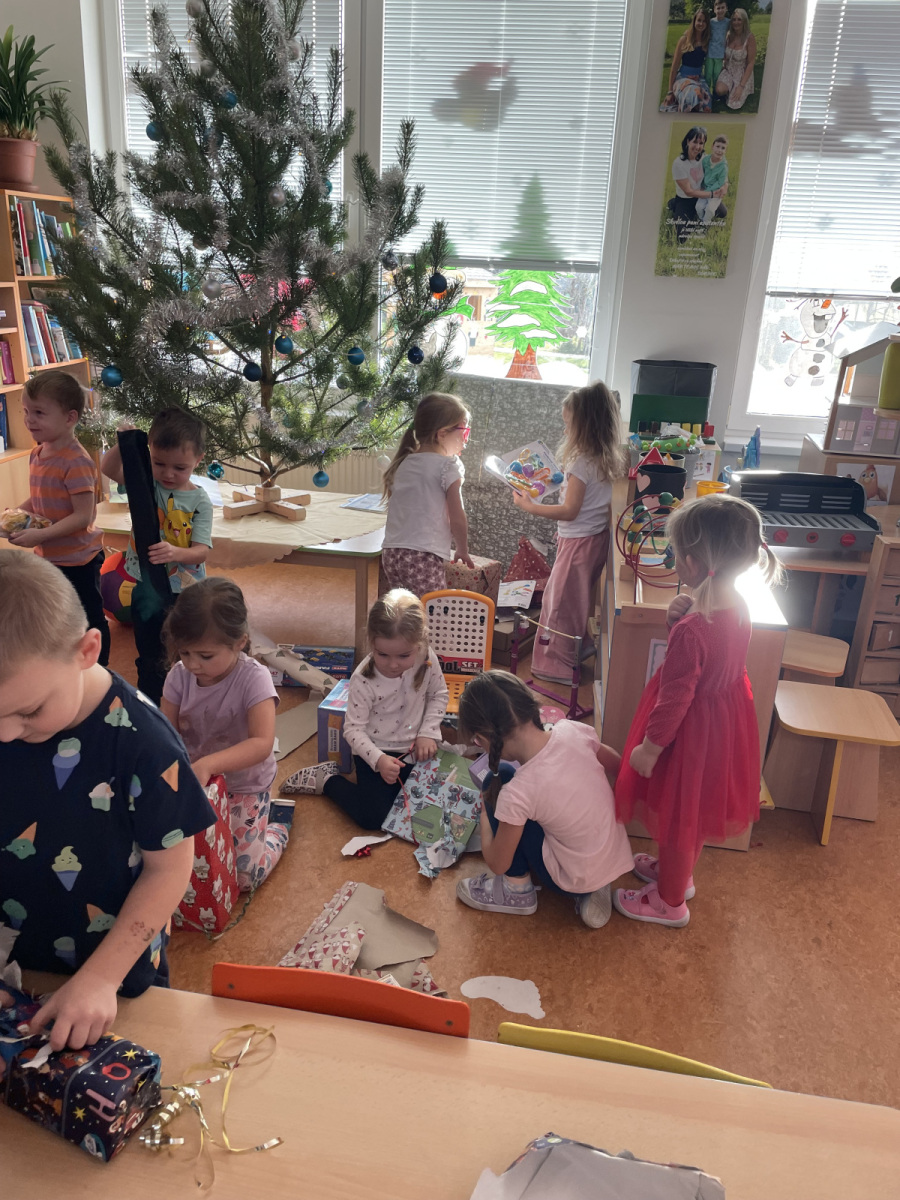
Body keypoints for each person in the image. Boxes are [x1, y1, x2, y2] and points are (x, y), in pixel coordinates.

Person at [0, 550, 214, 1049]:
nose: (6, 734)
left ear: (87, 650)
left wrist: (100, 978)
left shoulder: (145, 743)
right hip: (15, 964)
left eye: (29, 711)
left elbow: (169, 869)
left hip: (112, 980)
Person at [613, 495, 779, 928]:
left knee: (677, 817)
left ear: (689, 562)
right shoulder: (738, 603)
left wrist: (650, 748)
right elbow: (715, 659)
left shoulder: (694, 629)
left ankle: (670, 902)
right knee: (693, 812)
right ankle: (679, 874)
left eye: (674, 552)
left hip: (684, 733)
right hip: (722, 727)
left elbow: (676, 698)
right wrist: (677, 621)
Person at [455, 671, 633, 928]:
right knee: (541, 806)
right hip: (612, 857)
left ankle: (517, 890)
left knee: (498, 780)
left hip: (567, 880)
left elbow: (497, 863)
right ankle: (596, 882)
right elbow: (617, 766)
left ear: (482, 739)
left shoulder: (518, 792)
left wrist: (485, 815)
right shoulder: (573, 729)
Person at [160, 577, 290, 892]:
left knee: (244, 878)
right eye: (185, 652)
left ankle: (279, 826)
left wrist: (208, 764)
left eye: (205, 656)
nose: (193, 664)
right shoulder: (178, 676)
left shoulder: (254, 679)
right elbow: (165, 732)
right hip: (197, 785)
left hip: (245, 785)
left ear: (239, 642)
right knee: (187, 864)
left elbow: (261, 744)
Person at [285, 590, 449, 829]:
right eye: (383, 654)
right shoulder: (363, 679)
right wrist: (379, 760)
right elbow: (353, 731)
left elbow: (439, 694)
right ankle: (327, 780)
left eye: (404, 655)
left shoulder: (426, 657)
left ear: (420, 643)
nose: (393, 664)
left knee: (432, 804)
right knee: (373, 818)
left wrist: (428, 732)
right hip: (375, 750)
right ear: (371, 642)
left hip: (415, 747)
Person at [510, 381, 625, 684]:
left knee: (558, 603)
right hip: (592, 540)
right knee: (575, 600)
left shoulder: (581, 462)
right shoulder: (603, 456)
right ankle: (578, 646)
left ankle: (555, 664)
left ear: (584, 427)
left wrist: (530, 507)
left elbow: (570, 510)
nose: (565, 431)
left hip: (578, 543)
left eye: (568, 425)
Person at [101, 408, 213, 703]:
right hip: (146, 585)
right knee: (148, 650)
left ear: (198, 460)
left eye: (180, 467)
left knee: (183, 649)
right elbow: (109, 468)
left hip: (185, 590)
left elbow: (201, 551)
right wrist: (124, 441)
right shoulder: (146, 484)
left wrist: (175, 552)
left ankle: (186, 702)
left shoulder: (200, 500)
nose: (168, 474)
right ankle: (151, 701)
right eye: (159, 463)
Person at [4, 371, 109, 666]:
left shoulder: (76, 462)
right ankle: (66, 663)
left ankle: (100, 669)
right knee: (58, 613)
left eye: (39, 413)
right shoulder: (37, 454)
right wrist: (13, 518)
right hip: (49, 556)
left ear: (69, 417)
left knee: (88, 615)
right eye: (26, 411)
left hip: (79, 560)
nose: (29, 420)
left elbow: (83, 516)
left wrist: (39, 535)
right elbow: (39, 500)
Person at [381, 392, 474, 597]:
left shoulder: (404, 462)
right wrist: (462, 549)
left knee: (405, 608)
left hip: (391, 553)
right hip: (422, 556)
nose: (466, 440)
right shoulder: (448, 466)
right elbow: (457, 516)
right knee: (431, 610)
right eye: (464, 431)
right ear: (442, 434)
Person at [667, 126, 727, 246]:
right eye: (695, 142)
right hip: (686, 199)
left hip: (702, 196)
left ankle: (696, 212)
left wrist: (724, 186)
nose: (698, 146)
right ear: (688, 141)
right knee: (682, 238)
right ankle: (674, 204)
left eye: (701, 143)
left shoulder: (705, 158)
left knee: (722, 213)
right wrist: (711, 194)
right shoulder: (679, 163)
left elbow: (719, 172)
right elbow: (688, 191)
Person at [660, 9, 712, 114]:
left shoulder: (706, 41)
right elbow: (674, 67)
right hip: (683, 77)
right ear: (694, 21)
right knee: (694, 94)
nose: (701, 23)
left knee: (706, 99)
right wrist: (670, 91)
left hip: (698, 78)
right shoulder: (684, 40)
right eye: (699, 20)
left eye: (704, 21)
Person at [716, 8, 756, 111]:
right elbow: (725, 55)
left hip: (742, 73)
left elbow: (751, 63)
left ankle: (735, 91)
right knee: (719, 90)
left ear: (744, 21)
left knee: (734, 104)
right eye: (734, 19)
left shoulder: (749, 38)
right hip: (728, 70)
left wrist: (741, 86)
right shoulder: (729, 35)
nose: (736, 22)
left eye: (739, 19)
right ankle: (727, 91)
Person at [695, 135, 729, 224]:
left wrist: (709, 192)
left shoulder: (723, 167)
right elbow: (701, 174)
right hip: (704, 189)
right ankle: (701, 219)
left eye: (723, 148)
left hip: (716, 191)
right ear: (712, 147)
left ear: (725, 151)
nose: (719, 150)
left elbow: (721, 182)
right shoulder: (705, 160)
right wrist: (701, 187)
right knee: (698, 207)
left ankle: (706, 223)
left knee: (709, 209)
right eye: (717, 146)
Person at [704, 0, 730, 94]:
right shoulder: (711, 22)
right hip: (710, 53)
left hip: (720, 54)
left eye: (723, 7)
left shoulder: (728, 22)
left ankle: (715, 93)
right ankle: (706, 93)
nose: (720, 10)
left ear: (726, 8)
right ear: (714, 10)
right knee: (708, 74)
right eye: (718, 8)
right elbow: (706, 35)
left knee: (717, 75)